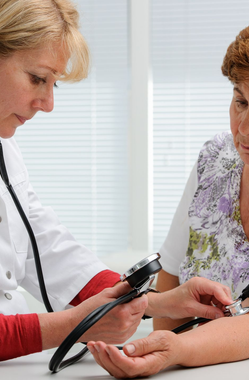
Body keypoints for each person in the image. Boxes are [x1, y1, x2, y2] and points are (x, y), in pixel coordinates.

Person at [0, 0, 235, 362]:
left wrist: (154, 302)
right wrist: (72, 325)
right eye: (37, 78)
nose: (47, 104)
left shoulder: (6, 149)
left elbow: (44, 246)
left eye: (53, 85)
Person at [87, 13, 249, 378]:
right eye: (240, 101)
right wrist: (152, 357)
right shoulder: (216, 160)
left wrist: (169, 353)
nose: (244, 128)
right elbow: (171, 275)